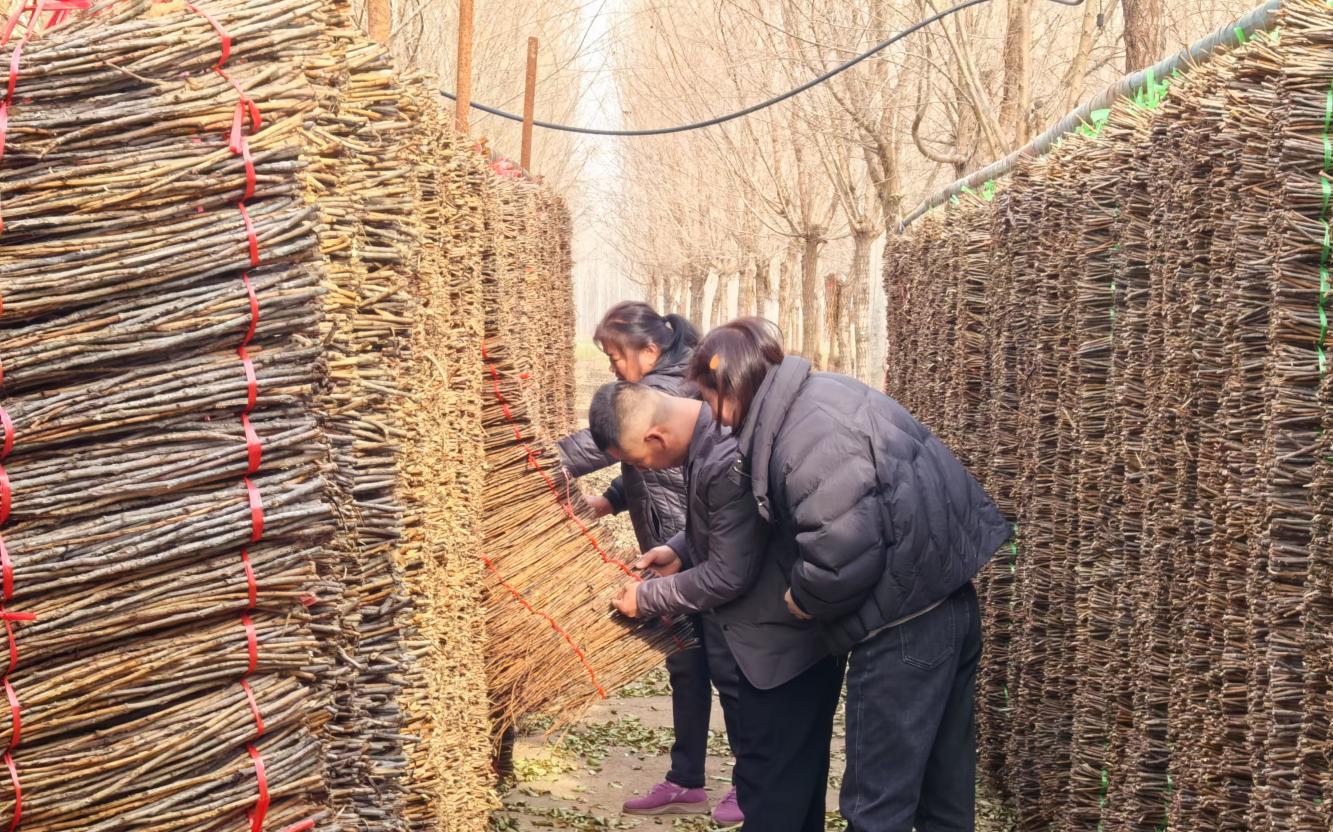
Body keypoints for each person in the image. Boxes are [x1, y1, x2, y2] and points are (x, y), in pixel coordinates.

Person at [688, 318, 1011, 832]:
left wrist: (804, 598)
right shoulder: (823, 393)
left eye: (711, 400)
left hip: (902, 626)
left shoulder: (805, 434)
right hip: (948, 604)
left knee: (876, 806)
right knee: (944, 800)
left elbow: (840, 550)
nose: (715, 417)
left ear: (732, 385)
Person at [591, 381, 838, 832]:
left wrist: (646, 597)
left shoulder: (726, 452)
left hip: (781, 641)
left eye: (638, 462)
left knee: (771, 785)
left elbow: (728, 574)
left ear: (655, 438)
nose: (643, 471)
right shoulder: (710, 435)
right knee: (793, 784)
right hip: (783, 637)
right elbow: (730, 525)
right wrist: (679, 549)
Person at [556, 302, 743, 824]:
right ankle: (686, 779)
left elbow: (609, 444)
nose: (614, 367)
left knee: (729, 666)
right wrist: (610, 500)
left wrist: (533, 464)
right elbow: (643, 465)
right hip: (671, 543)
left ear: (650, 350)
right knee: (686, 663)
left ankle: (749, 783)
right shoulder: (659, 387)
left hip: (702, 548)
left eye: (617, 356)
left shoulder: (666, 392)